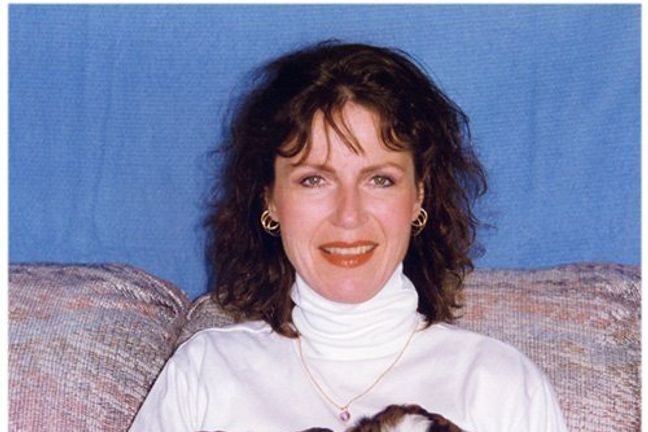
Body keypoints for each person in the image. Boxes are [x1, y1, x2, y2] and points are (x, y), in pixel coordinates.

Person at [129, 41, 568, 431]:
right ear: (271, 200)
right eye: (314, 180)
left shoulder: (501, 385)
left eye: (379, 180)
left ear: (419, 196)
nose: (348, 216)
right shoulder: (205, 373)